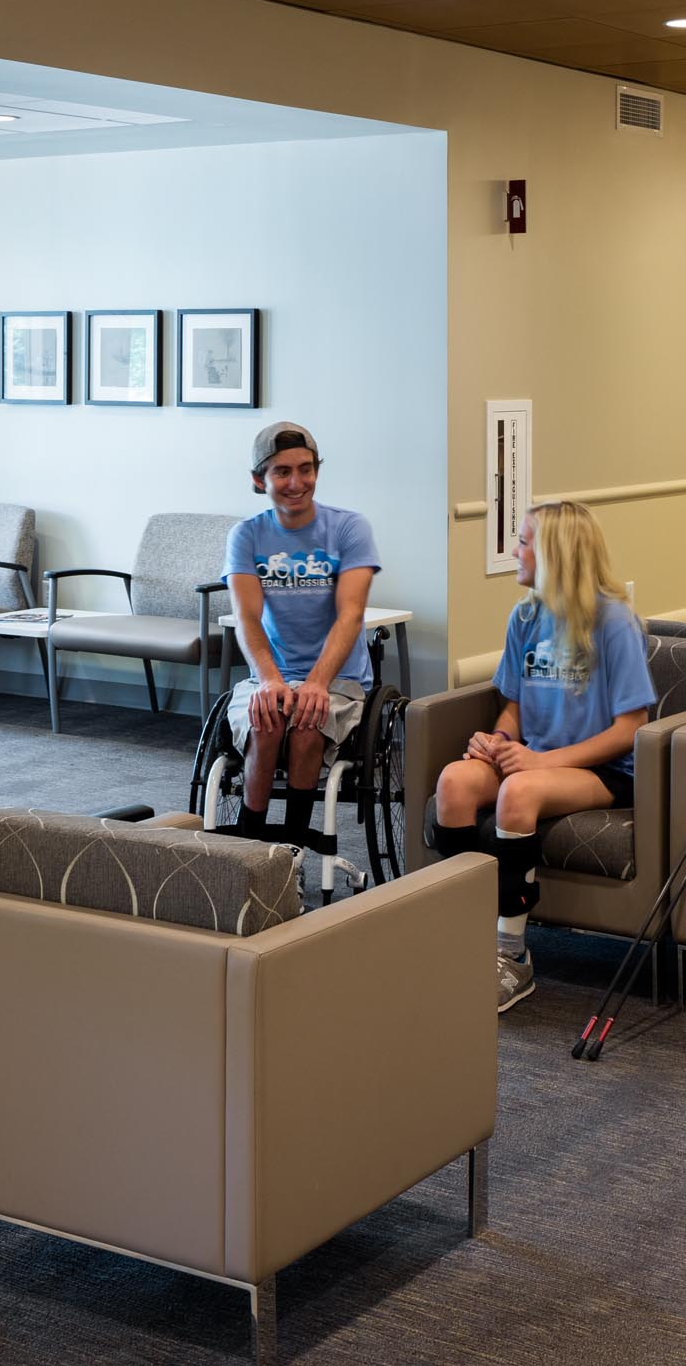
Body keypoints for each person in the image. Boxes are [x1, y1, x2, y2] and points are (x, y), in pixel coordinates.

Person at [431, 499, 654, 1012]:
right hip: (538, 759)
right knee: (455, 781)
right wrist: (497, 740)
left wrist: (539, 762)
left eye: (525, 542)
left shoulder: (614, 622)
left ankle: (512, 954)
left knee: (518, 789)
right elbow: (513, 707)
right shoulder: (526, 615)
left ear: (555, 553)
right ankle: (462, 936)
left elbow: (631, 729)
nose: (515, 551)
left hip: (604, 770)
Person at [221, 421, 380, 849]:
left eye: (306, 469)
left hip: (339, 679)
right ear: (260, 479)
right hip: (269, 672)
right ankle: (249, 846)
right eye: (282, 472)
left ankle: (291, 847)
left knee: (309, 724)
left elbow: (351, 615)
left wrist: (317, 682)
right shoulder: (247, 535)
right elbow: (247, 617)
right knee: (266, 720)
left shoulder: (349, 528)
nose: (297, 483)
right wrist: (271, 679)